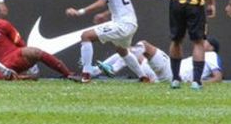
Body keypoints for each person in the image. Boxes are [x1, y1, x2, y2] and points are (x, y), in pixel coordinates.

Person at [65, 0, 149, 83]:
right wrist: (105, 14)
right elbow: (120, 2)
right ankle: (144, 77)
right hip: (130, 22)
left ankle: (86, 75)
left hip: (123, 24)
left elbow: (101, 2)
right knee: (122, 51)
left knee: (86, 36)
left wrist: (80, 11)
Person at [0, 17, 74, 81]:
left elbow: (20, 43)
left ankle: (68, 74)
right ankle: (20, 78)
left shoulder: (1, 24)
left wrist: (29, 64)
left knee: (34, 51)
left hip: (14, 56)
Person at [94, 38, 223, 84]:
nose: (202, 42)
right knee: (129, 52)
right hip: (163, 75)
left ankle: (111, 69)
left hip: (173, 76)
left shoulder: (211, 55)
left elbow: (218, 77)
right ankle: (94, 71)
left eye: (205, 41)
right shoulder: (200, 56)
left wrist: (198, 82)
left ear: (211, 47)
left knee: (143, 45)